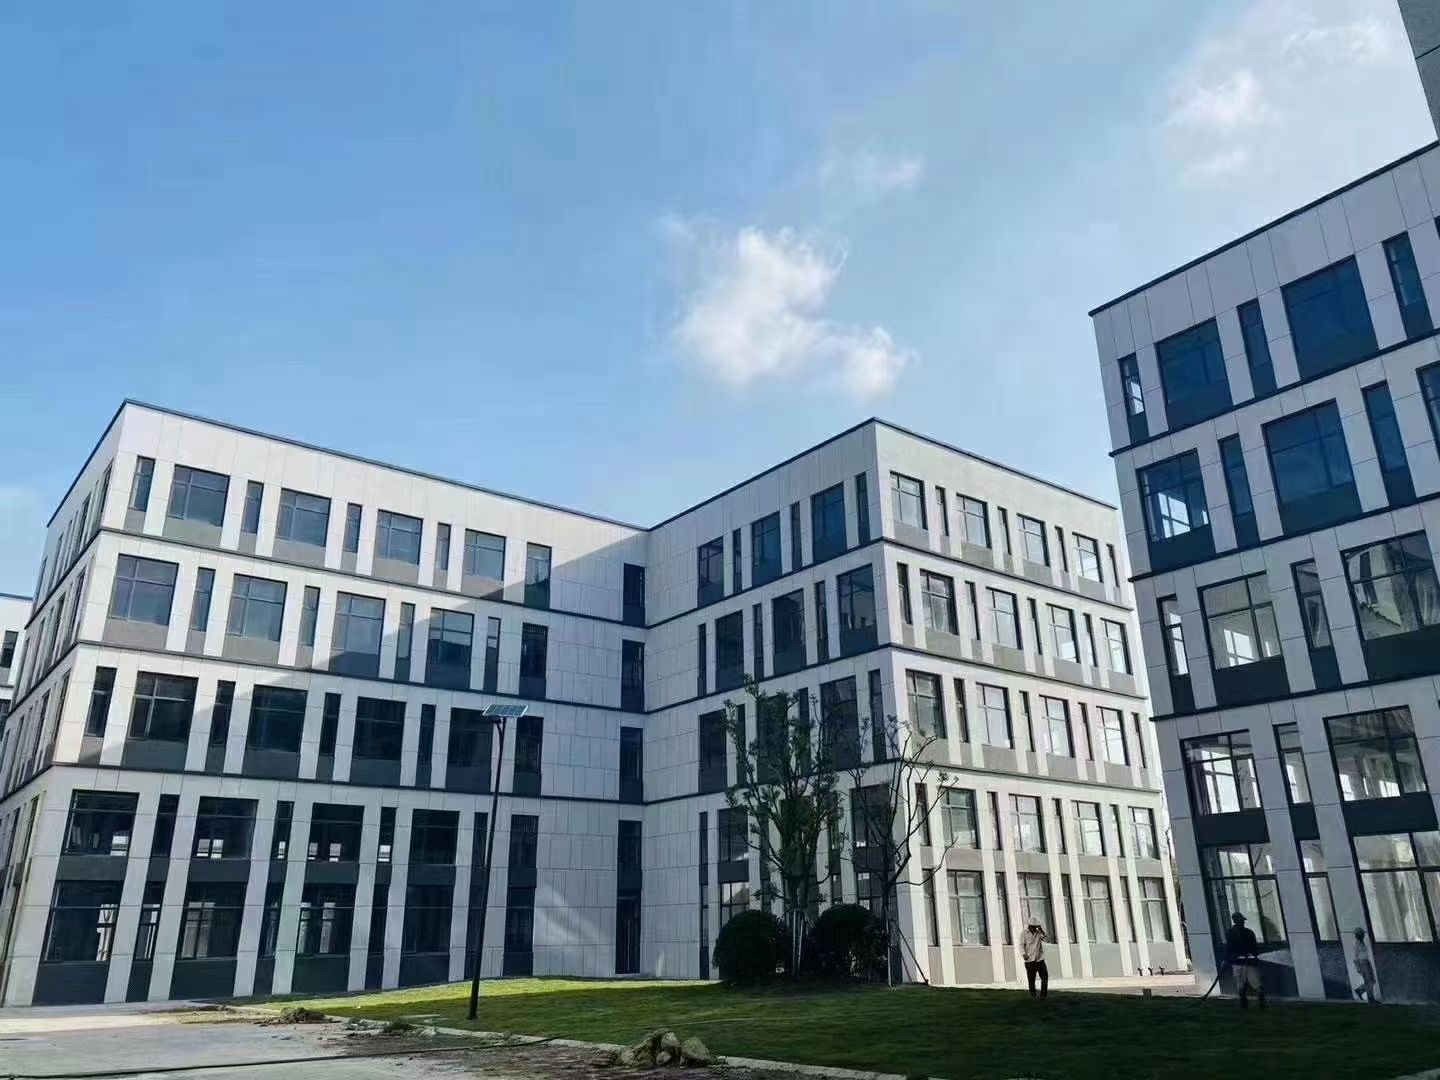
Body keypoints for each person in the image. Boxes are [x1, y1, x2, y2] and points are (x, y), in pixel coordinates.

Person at [1225, 912, 1264, 1008]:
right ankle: (1244, 1004)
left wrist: (1252, 956)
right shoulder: (1231, 933)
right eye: (1241, 920)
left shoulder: (1249, 932)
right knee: (1241, 985)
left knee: (1257, 984)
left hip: (1249, 963)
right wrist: (1233, 957)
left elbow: (1254, 948)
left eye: (1242, 921)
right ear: (1236, 921)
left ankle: (1261, 1003)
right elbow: (1230, 948)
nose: (1243, 922)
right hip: (1238, 963)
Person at [1021, 922, 1049, 999]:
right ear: (1029, 926)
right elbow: (1021, 945)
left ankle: (1043, 995)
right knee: (1031, 979)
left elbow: (1046, 939)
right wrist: (1024, 954)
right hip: (1030, 960)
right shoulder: (1024, 933)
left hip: (1040, 959)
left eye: (1035, 926)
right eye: (1032, 927)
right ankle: (1033, 994)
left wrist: (1041, 930)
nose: (1034, 928)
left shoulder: (1038, 933)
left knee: (1044, 977)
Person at [1353, 927, 1380, 1003]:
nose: (1363, 935)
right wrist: (1358, 968)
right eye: (1362, 934)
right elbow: (1354, 957)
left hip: (1367, 962)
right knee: (1369, 981)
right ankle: (1370, 998)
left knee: (1372, 981)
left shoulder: (1362, 942)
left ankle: (1360, 990)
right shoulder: (1356, 943)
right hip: (1362, 963)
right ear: (1358, 935)